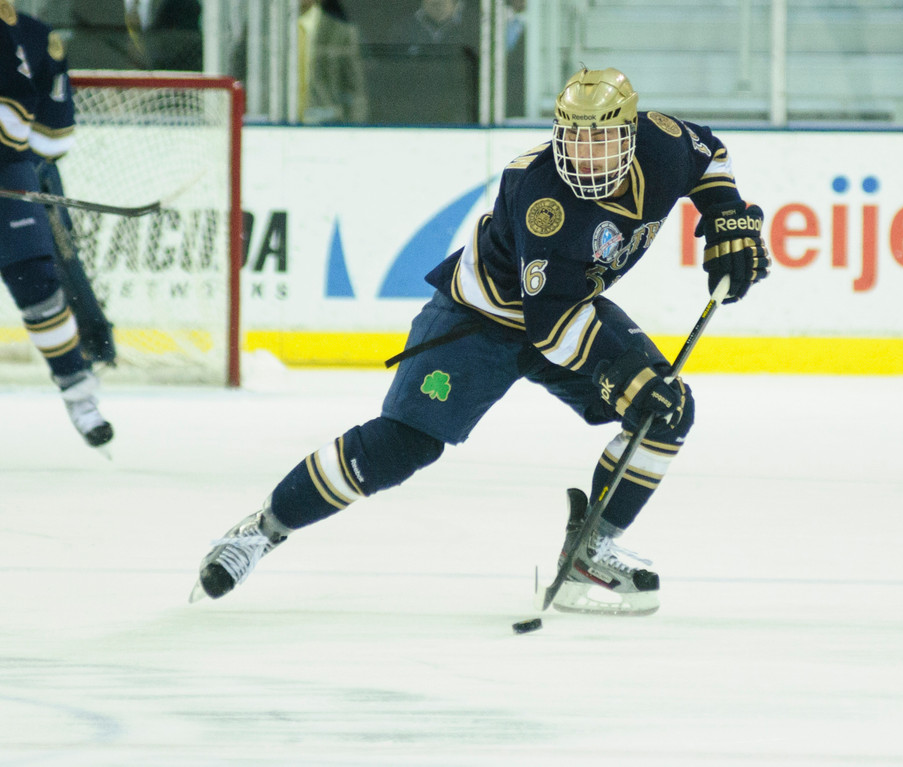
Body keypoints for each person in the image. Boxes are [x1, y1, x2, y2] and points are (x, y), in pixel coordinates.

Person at [190, 67, 770, 615]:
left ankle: (592, 550)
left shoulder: (662, 143)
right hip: (480, 321)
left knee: (665, 410)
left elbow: (709, 154)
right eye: (572, 139)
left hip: (569, 308)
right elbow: (554, 326)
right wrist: (625, 372)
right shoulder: (542, 197)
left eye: (600, 141)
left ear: (630, 134)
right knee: (400, 447)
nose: (583, 155)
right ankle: (261, 531)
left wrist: (726, 217)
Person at [1, 5, 114, 451]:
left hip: (7, 170)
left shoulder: (19, 30)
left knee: (39, 287)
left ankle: (80, 397)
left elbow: (31, 115)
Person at [298, 0, 368, 124]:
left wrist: (355, 134)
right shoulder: (268, 33)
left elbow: (355, 92)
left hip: (327, 127)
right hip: (277, 127)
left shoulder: (341, 33)